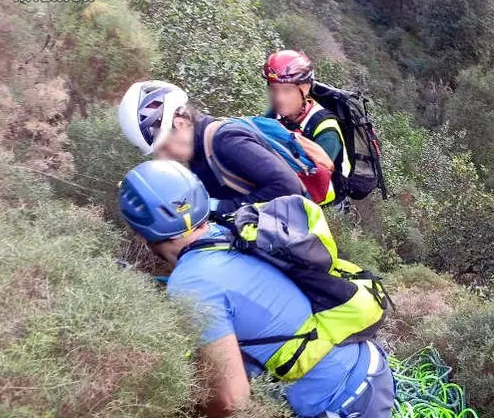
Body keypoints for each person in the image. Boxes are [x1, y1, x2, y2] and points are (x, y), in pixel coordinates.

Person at [118, 160, 396, 418]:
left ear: (142, 233)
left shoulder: (191, 283)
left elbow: (231, 401)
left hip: (341, 402)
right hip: (368, 366)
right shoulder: (235, 229)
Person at [118, 80, 306, 216]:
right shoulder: (198, 154)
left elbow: (288, 187)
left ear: (181, 122)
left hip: (296, 247)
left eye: (164, 148)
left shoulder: (226, 141)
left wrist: (217, 207)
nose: (163, 158)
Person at [263, 51, 351, 202]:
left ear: (305, 88)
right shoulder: (276, 113)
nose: (279, 98)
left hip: (321, 201)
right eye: (274, 89)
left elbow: (315, 179)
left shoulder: (326, 130)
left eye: (287, 90)